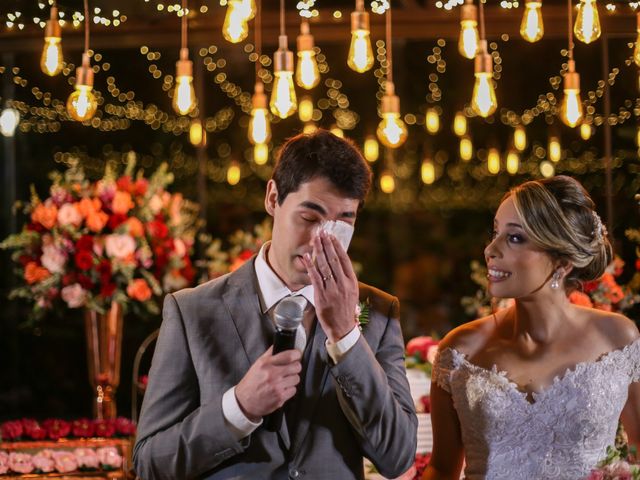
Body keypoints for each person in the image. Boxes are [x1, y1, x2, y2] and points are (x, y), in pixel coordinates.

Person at [133, 130, 417, 480]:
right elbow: (149, 464)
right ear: (273, 198)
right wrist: (238, 408)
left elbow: (398, 456)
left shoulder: (379, 312)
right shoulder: (192, 311)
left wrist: (346, 336)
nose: (320, 242)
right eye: (310, 218)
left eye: (343, 222)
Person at [423, 176, 640, 480]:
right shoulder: (460, 350)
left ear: (562, 262)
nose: (490, 249)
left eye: (514, 238)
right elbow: (442, 470)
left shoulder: (617, 338)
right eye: (496, 233)